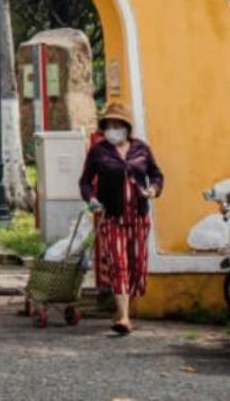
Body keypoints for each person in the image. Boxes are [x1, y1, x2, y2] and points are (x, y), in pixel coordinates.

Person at [77, 99, 163, 335]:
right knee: (119, 263)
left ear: (127, 128)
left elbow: (156, 175)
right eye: (110, 125)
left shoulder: (141, 149)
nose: (114, 129)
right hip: (112, 216)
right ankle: (124, 317)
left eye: (119, 125)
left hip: (138, 216)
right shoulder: (98, 152)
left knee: (136, 263)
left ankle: (123, 308)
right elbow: (85, 181)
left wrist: (153, 190)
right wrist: (91, 199)